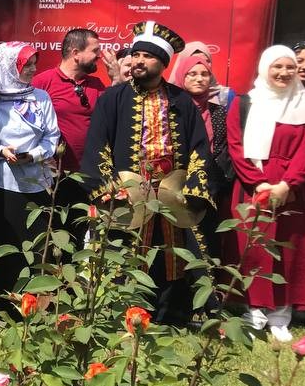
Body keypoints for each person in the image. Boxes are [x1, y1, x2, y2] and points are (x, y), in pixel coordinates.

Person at [81, 21, 214, 325]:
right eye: (136, 54)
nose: (138, 61)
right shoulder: (112, 99)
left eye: (148, 56)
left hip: (170, 195)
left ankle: (170, 314)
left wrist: (192, 188)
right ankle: (120, 312)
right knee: (123, 255)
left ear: (163, 63)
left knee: (171, 255)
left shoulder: (182, 102)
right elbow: (97, 146)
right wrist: (108, 187)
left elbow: (199, 149)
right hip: (128, 193)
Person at [227, 47, 305, 342]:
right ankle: (254, 310)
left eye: (289, 67)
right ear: (265, 68)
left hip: (292, 189)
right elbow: (236, 146)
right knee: (253, 247)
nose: (284, 73)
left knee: (288, 251)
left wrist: (286, 184)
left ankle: (281, 315)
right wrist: (258, 182)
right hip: (251, 186)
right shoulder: (246, 103)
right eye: (277, 66)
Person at [0, 42, 61, 300]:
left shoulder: (40, 97)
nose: (33, 69)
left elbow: (52, 136)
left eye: (35, 63)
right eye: (27, 65)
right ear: (10, 67)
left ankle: (28, 302)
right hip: (0, 183)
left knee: (32, 245)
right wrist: (0, 150)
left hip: (35, 182)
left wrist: (33, 155)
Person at [167, 50, 234, 266]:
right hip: (172, 189)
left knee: (206, 246)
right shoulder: (171, 109)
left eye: (204, 74)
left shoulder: (218, 111)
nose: (199, 78)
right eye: (192, 73)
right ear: (181, 77)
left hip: (209, 191)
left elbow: (224, 148)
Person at [31, 29, 107, 215]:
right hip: (52, 175)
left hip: (87, 175)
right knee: (50, 231)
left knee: (79, 232)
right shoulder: (42, 82)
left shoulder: (97, 84)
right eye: (95, 50)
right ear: (75, 53)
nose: (100, 56)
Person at [173, 41, 236, 108]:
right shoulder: (168, 96)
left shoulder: (225, 96)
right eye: (194, 60)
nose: (202, 63)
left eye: (206, 61)